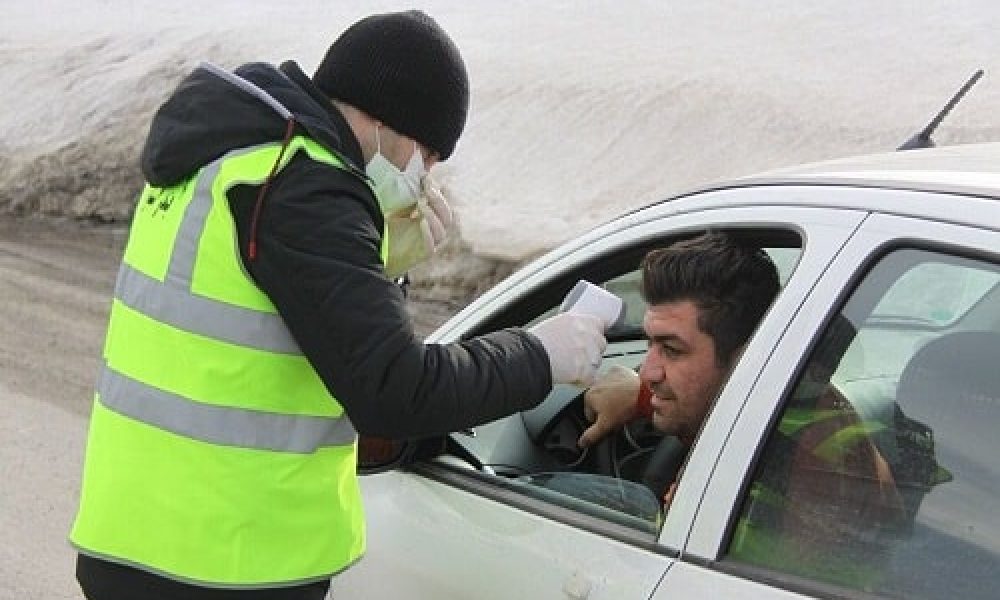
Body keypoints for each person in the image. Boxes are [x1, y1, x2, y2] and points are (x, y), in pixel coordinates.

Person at [69, 10, 608, 600]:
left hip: (136, 535)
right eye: (428, 155)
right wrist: (538, 356)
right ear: (383, 119)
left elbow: (291, 321)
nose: (425, 176)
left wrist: (379, 264)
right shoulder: (308, 189)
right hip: (227, 560)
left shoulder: (225, 160)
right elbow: (394, 391)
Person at [577, 231, 780, 505]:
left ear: (746, 359)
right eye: (650, 343)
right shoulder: (756, 418)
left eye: (672, 350)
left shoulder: (793, 479)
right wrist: (641, 399)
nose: (646, 374)